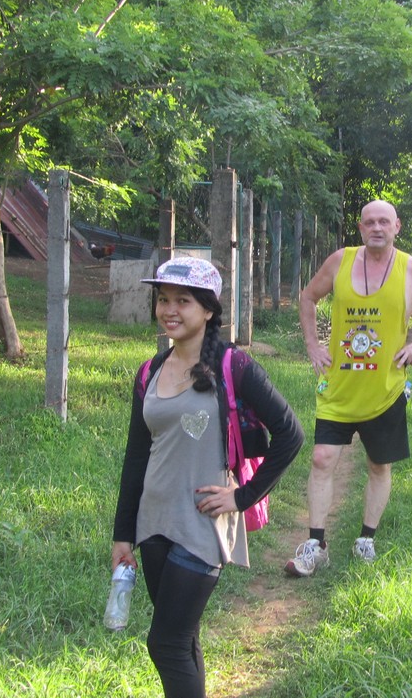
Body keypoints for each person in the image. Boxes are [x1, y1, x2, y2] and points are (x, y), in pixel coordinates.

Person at [112, 256, 304, 698]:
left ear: (209, 310)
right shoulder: (150, 371)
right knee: (183, 638)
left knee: (165, 643)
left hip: (202, 523)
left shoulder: (234, 366)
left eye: (183, 301)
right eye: (163, 299)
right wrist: (123, 534)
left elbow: (290, 434)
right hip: (154, 522)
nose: (169, 310)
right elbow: (136, 456)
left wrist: (243, 496)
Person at [285, 199, 412, 577]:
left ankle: (366, 538)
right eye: (370, 222)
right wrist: (313, 346)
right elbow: (308, 297)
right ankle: (316, 545)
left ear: (397, 227)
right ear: (361, 228)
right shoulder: (340, 261)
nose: (377, 228)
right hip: (339, 387)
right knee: (322, 459)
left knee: (378, 464)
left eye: (384, 221)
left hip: (385, 391)